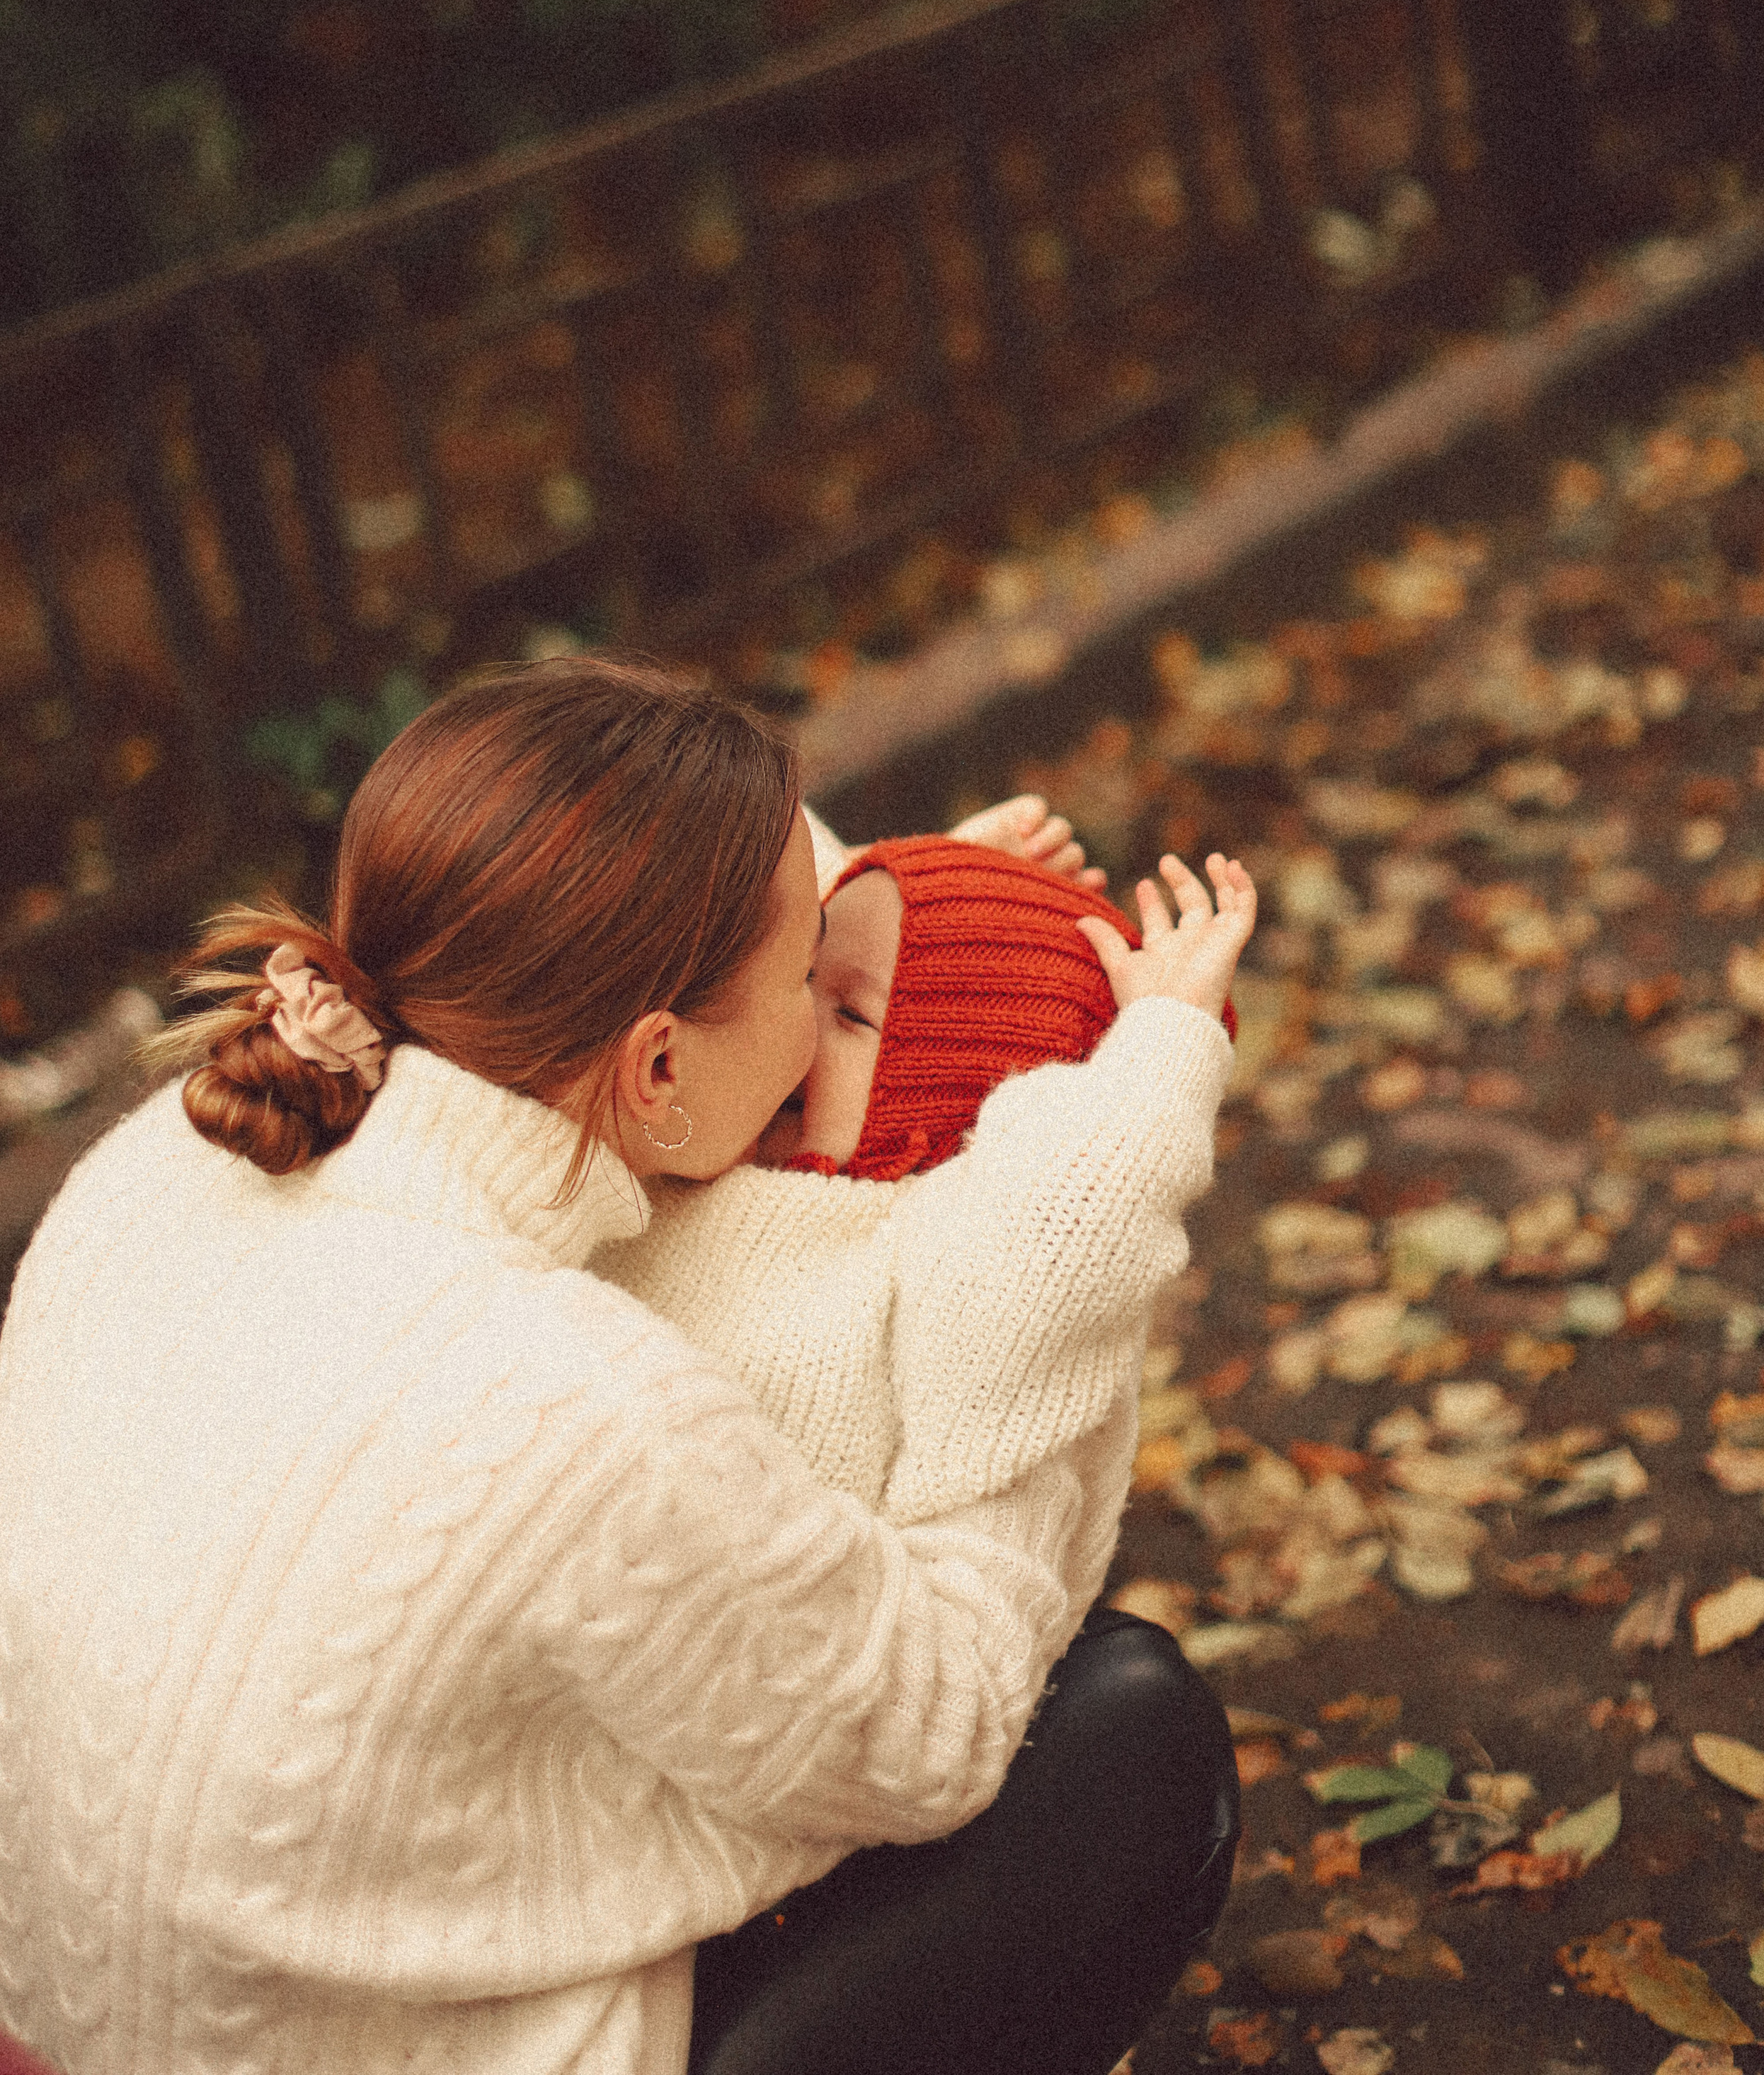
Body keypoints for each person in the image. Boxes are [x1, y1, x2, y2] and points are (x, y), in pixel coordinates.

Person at [0, 658, 1232, 2075]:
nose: (824, 1006)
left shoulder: (170, 1150)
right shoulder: (575, 1404)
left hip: (77, 2016)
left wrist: (929, 926)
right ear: (652, 1070)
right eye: (807, 982)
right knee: (1121, 1743)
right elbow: (937, 1728)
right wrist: (1052, 1280)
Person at [593, 829, 1252, 2075]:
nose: (790, 1037)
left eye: (848, 1016)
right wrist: (925, 872)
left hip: (803, 1755)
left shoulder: (934, 1245)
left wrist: (1162, 1045)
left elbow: (1073, 1205)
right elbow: (741, 915)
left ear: (970, 1082)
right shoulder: (684, 1163)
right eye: (802, 987)